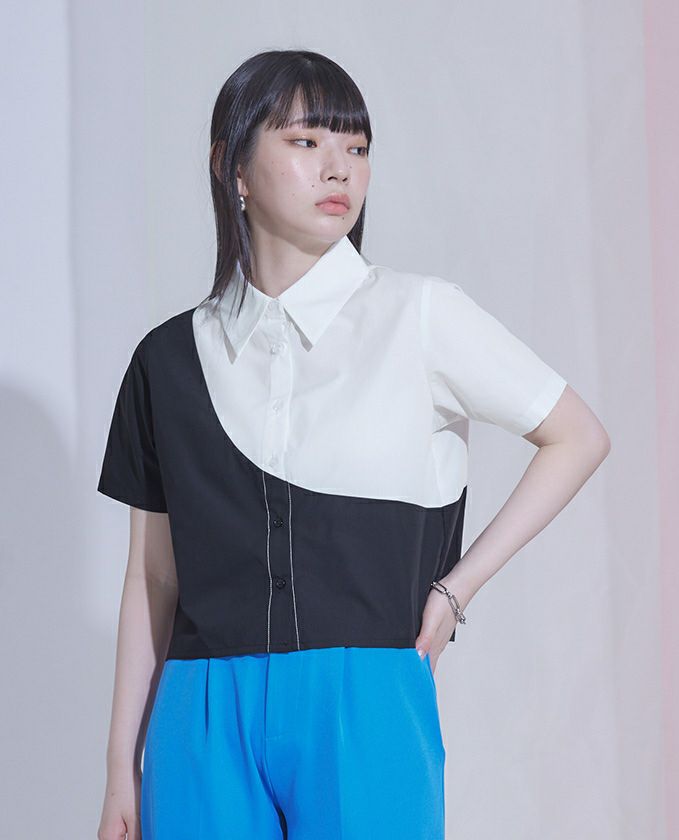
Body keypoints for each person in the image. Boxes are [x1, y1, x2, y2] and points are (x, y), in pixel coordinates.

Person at [96, 49, 610, 840]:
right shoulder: (167, 359)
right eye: (306, 142)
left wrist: (456, 591)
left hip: (365, 699)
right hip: (198, 711)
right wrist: (119, 770)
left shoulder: (420, 315)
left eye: (357, 147)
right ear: (232, 166)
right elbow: (154, 577)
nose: (339, 167)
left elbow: (577, 435)